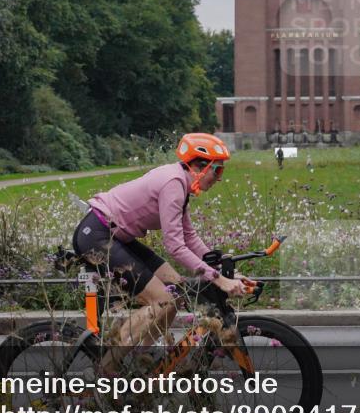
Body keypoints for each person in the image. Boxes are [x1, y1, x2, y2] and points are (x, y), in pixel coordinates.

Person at [72, 132, 245, 370]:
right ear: (200, 167)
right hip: (98, 236)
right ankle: (108, 366)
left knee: (178, 290)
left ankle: (140, 362)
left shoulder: (181, 183)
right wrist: (217, 279)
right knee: (162, 300)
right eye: (218, 171)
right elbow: (175, 245)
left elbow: (189, 236)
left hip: (118, 237)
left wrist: (219, 270)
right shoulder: (173, 184)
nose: (219, 178)